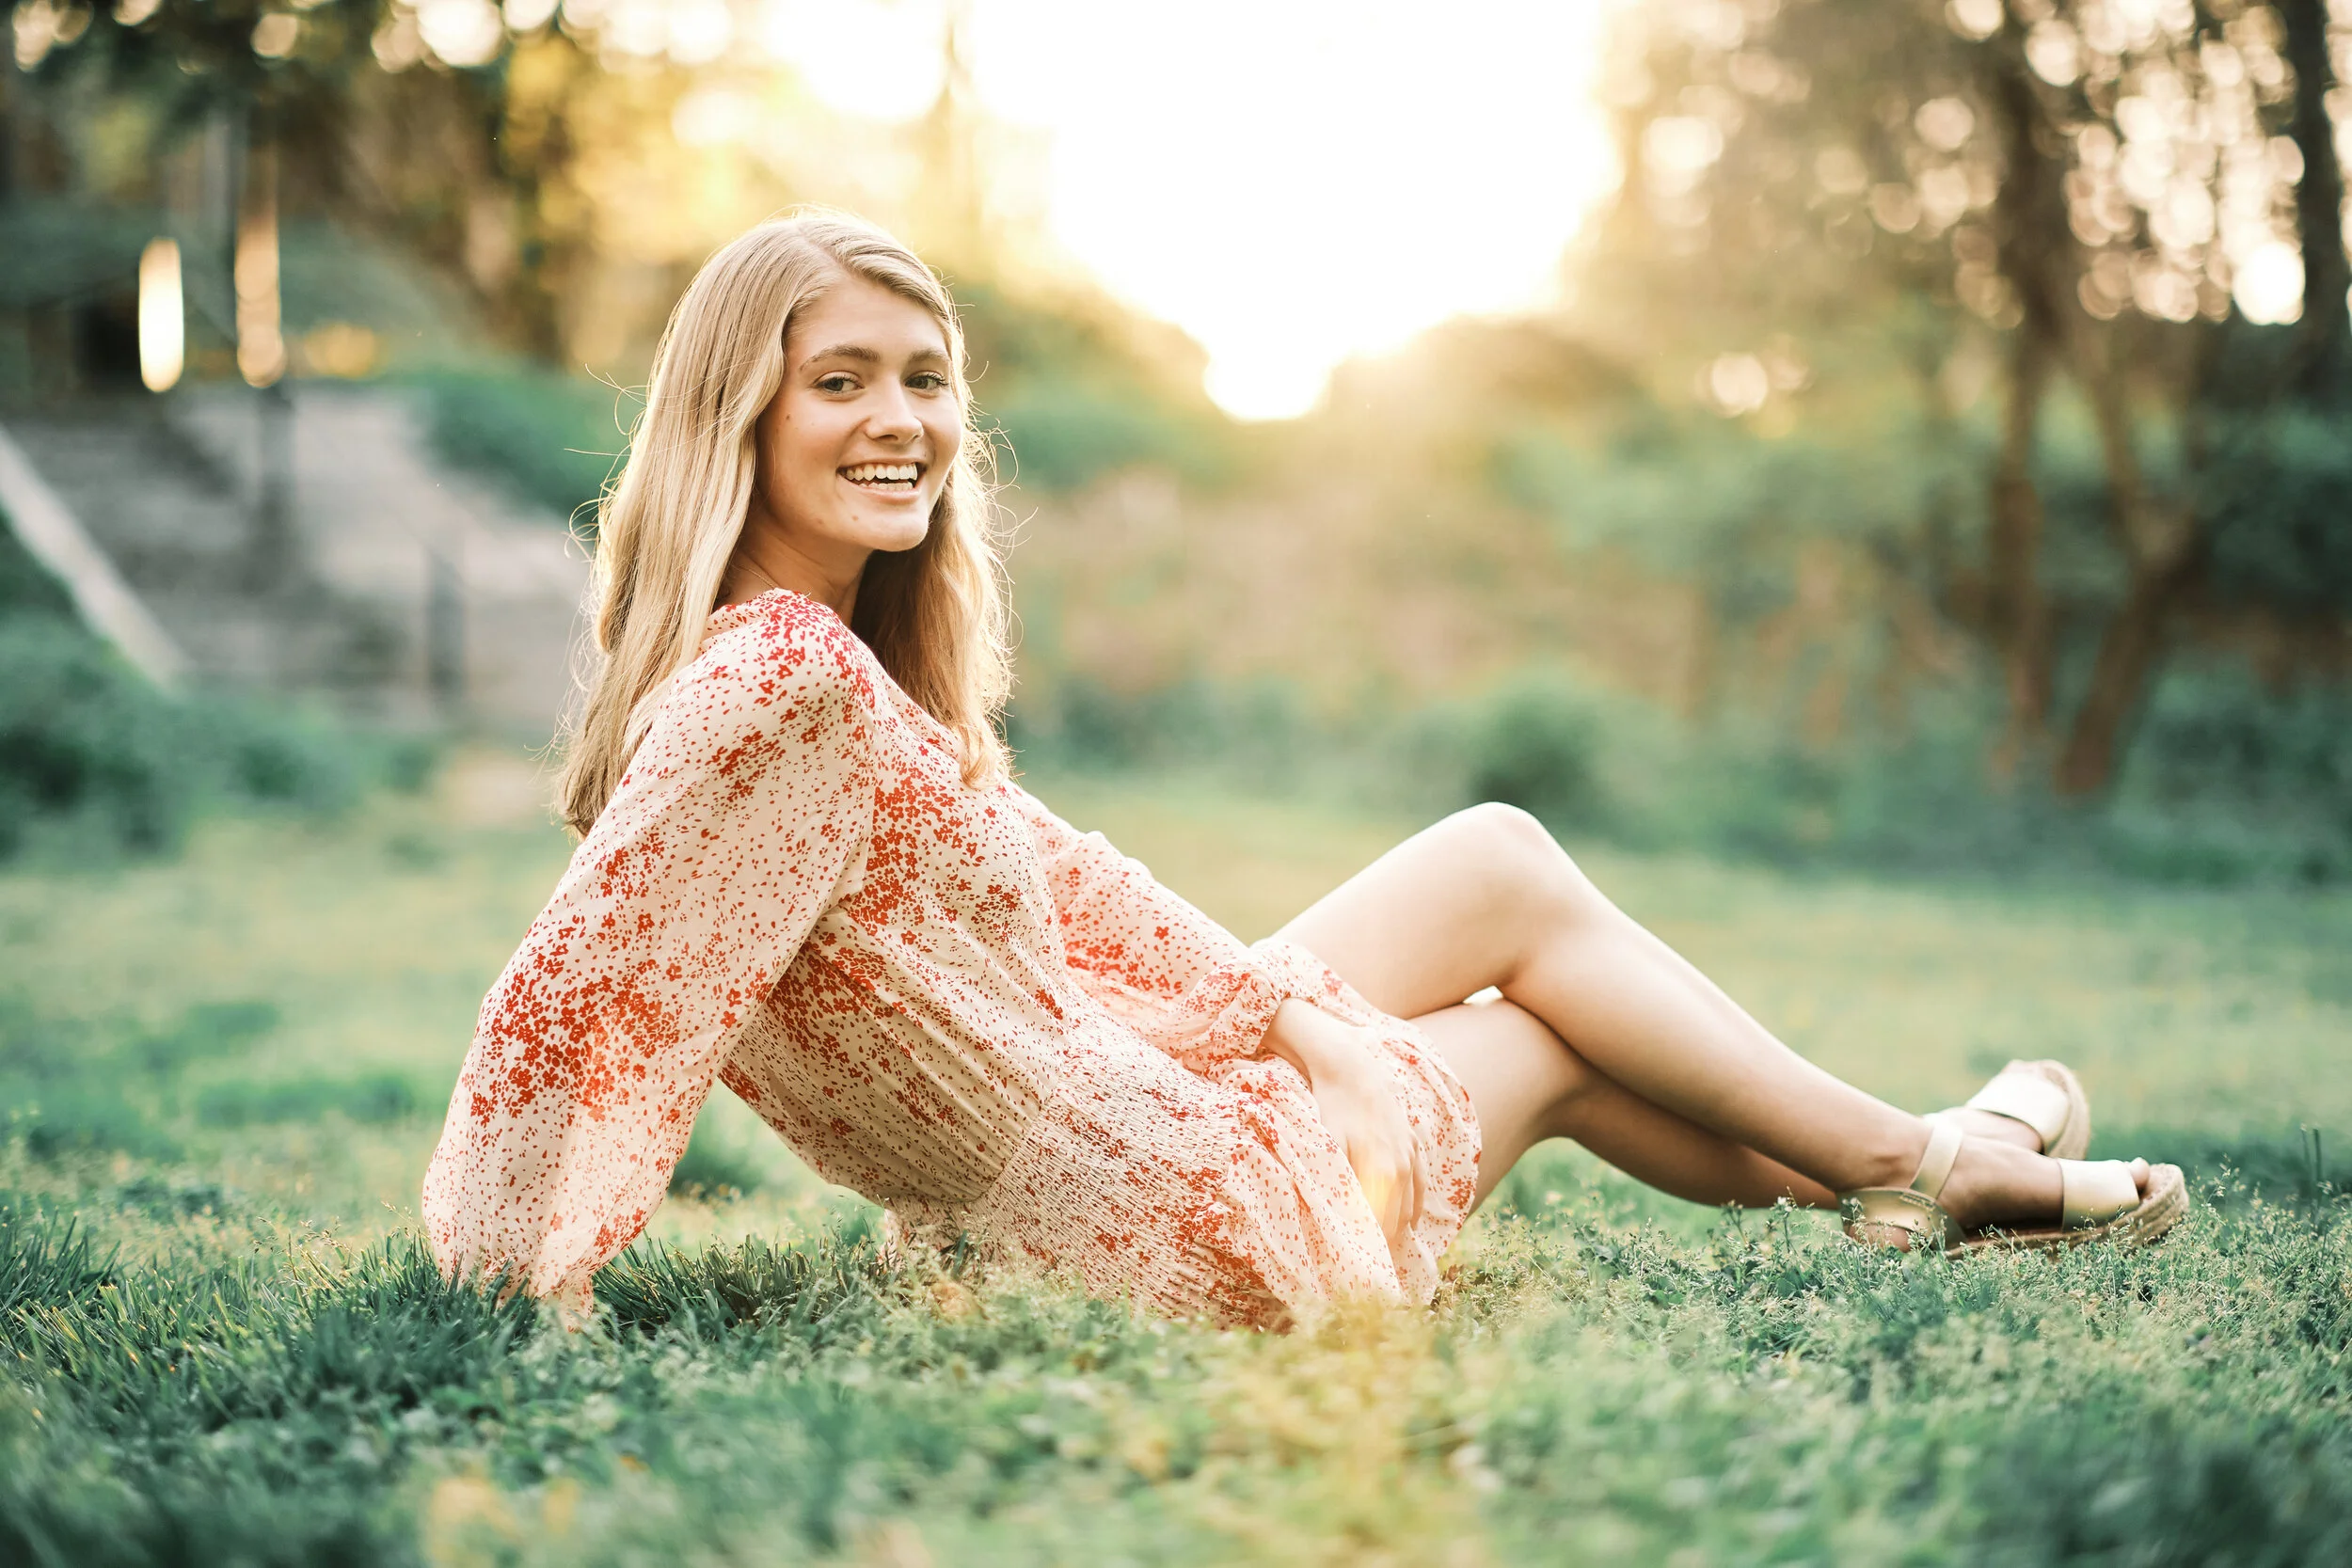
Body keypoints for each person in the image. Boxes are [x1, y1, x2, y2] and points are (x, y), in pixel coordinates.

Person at [421, 211, 2185, 1330]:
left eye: (929, 378)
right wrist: (509, 1272)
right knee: (1550, 1026)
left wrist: (1292, 1016)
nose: (906, 420)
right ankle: (1927, 1160)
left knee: (1497, 872)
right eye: (842, 382)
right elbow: (585, 993)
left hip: (1055, 1173)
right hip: (1155, 1222)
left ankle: (1916, 1169)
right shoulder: (782, 681)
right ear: (737, 412)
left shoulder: (818, 676)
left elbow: (1081, 893)